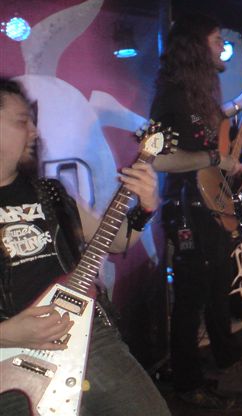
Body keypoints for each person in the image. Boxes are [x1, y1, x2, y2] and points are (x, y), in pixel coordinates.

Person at [0, 78, 171, 415]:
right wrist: (7, 333)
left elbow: (118, 239)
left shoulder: (49, 192)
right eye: (21, 121)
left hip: (87, 335)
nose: (34, 131)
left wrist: (146, 207)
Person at [150, 13, 242, 409]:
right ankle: (186, 381)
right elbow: (156, 158)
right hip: (187, 208)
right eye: (216, 40)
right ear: (197, 47)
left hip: (210, 203)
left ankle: (226, 352)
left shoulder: (197, 93)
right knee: (191, 297)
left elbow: (210, 120)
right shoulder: (171, 96)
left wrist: (241, 102)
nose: (223, 46)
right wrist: (216, 159)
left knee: (217, 285)